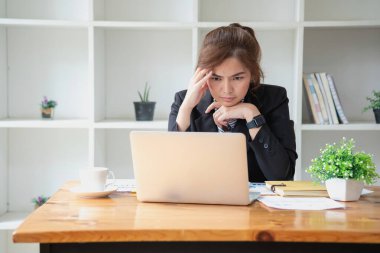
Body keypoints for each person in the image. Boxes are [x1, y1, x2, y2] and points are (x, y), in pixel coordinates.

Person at [168, 23, 297, 182]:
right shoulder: (185, 102)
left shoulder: (274, 99)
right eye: (216, 78)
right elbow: (172, 172)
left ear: (253, 74)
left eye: (237, 78)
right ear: (202, 75)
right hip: (200, 203)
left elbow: (282, 176)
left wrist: (252, 114)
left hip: (255, 206)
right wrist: (186, 108)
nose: (227, 90)